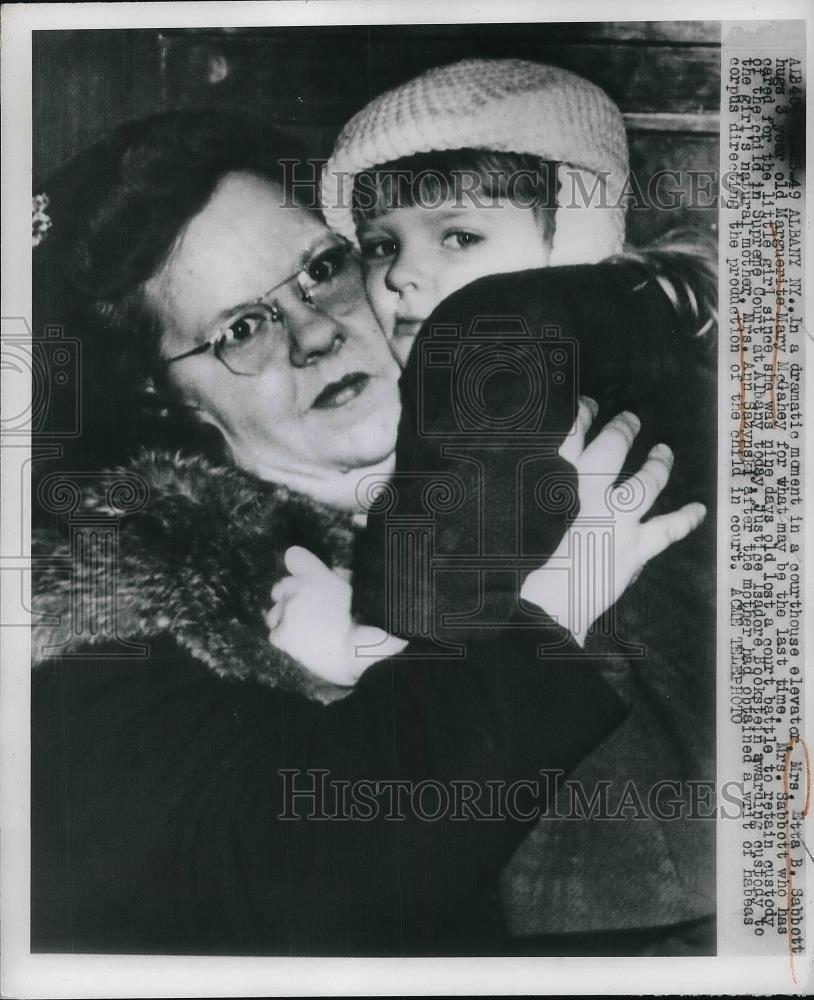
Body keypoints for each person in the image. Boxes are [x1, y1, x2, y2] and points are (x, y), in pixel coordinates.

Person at [29, 108, 691, 956]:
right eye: (239, 331)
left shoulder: (574, 421)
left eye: (321, 270)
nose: (313, 334)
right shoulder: (114, 616)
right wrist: (545, 620)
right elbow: (289, 883)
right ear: (167, 401)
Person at [312, 59, 717, 952]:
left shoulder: (513, 331)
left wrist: (349, 642)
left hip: (607, 874)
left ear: (576, 232)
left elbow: (431, 603)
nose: (400, 278)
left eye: (456, 236)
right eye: (380, 244)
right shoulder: (632, 347)